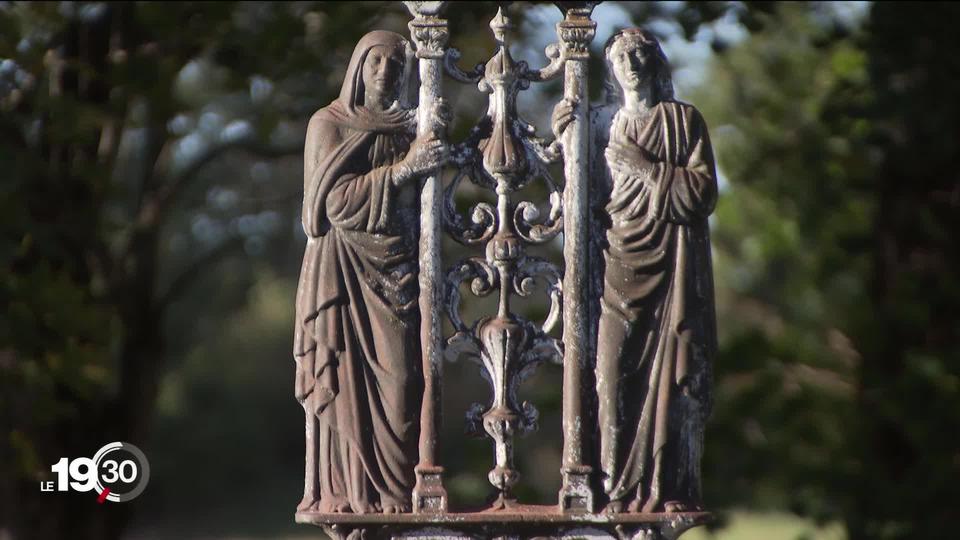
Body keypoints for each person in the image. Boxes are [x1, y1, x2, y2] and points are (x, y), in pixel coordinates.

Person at [554, 28, 718, 514]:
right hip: (617, 263)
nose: (630, 62)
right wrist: (567, 137)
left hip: (671, 267)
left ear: (655, 60)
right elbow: (578, 195)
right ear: (609, 67)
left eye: (639, 52)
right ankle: (610, 486)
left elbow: (702, 192)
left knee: (669, 378)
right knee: (610, 373)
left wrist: (648, 169)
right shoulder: (600, 122)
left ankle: (666, 487)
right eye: (621, 55)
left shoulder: (683, 121)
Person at [293, 30, 448, 514]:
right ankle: (353, 495)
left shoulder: (407, 127)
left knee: (404, 383)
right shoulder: (329, 123)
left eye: (396, 65)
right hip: (342, 270)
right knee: (343, 380)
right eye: (376, 62)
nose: (386, 72)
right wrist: (404, 169)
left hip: (396, 270)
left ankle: (398, 496)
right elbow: (332, 204)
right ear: (358, 68)